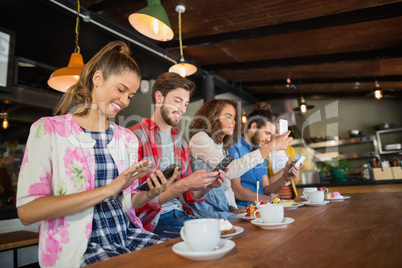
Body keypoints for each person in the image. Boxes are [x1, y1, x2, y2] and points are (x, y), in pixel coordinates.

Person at [16, 41, 174, 267]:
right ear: (97, 78)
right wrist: (110, 188)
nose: (125, 101)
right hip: (81, 249)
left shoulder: (126, 138)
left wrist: (150, 194)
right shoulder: (48, 130)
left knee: (183, 256)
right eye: (121, 89)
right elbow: (27, 212)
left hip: (127, 237)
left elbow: (126, 204)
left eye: (130, 95)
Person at [130, 72, 226, 238]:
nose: (182, 109)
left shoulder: (181, 142)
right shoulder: (135, 136)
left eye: (186, 103)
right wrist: (186, 183)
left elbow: (190, 196)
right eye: (177, 101)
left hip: (182, 215)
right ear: (159, 97)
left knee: (227, 235)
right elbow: (134, 202)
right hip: (153, 222)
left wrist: (208, 185)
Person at [188, 99, 292, 219]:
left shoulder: (222, 146)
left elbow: (226, 183)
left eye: (234, 118)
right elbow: (230, 170)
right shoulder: (200, 138)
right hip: (204, 210)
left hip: (222, 208)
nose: (233, 122)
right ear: (214, 117)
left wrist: (232, 207)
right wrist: (269, 148)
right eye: (228, 117)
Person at [228, 102, 301, 208]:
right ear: (253, 127)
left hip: (263, 209)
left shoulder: (261, 152)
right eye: (267, 133)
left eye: (271, 135)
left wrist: (285, 178)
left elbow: (266, 189)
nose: (269, 139)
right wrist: (268, 199)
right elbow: (237, 190)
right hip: (243, 211)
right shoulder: (233, 148)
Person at [267, 114, 300, 199]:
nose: (281, 136)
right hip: (273, 199)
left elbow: (296, 180)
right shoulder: (265, 152)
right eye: (277, 132)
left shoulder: (289, 149)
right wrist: (285, 170)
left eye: (282, 132)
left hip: (290, 198)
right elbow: (266, 183)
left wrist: (295, 172)